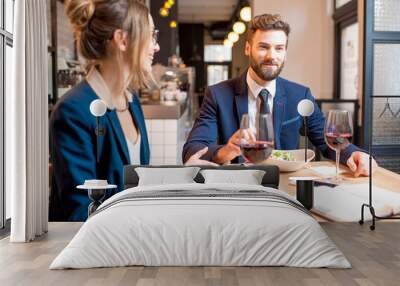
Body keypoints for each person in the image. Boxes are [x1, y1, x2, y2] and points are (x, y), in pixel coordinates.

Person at [50, 0, 211, 222]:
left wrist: (184, 175)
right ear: (123, 40)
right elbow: (80, 211)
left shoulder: (132, 102)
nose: (157, 46)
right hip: (97, 249)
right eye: (151, 36)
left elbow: (138, 183)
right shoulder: (74, 111)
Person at [183, 13, 376, 176]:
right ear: (248, 48)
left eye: (279, 48)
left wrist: (353, 153)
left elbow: (327, 138)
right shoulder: (218, 94)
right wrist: (225, 152)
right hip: (237, 187)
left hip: (285, 186)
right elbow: (192, 149)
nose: (271, 56)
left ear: (285, 53)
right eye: (263, 47)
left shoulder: (301, 95)